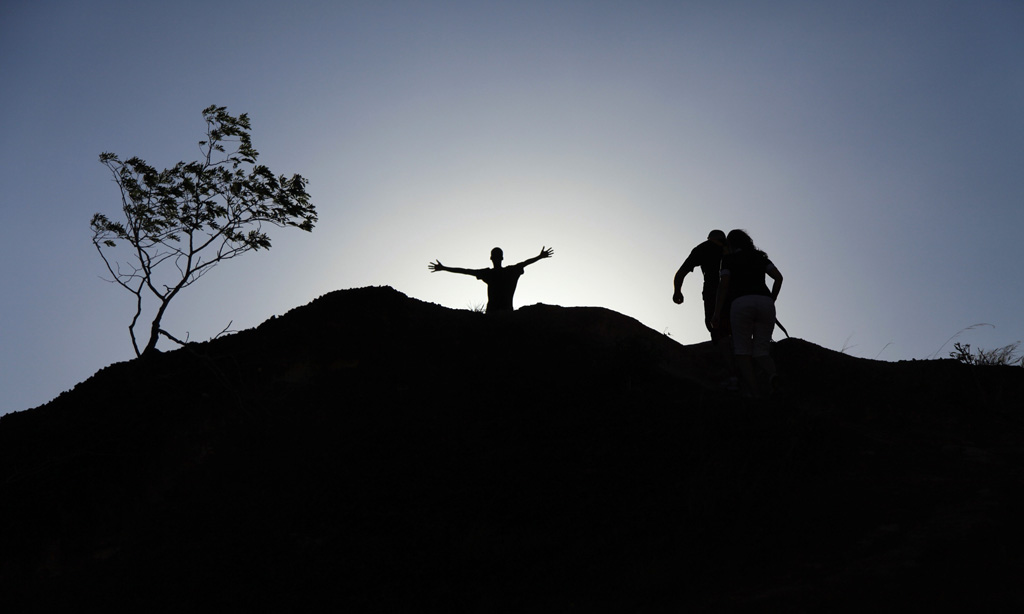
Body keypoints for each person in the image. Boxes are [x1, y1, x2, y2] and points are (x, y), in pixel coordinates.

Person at [711, 229, 783, 397]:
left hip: (741, 302)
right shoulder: (760, 257)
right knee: (761, 351)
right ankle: (774, 376)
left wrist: (717, 312)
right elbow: (779, 278)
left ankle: (755, 393)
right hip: (765, 302)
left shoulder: (728, 259)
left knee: (742, 351)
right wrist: (771, 299)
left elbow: (724, 284)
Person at [429, 246, 554, 313]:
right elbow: (526, 263)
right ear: (502, 258)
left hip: (496, 313)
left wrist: (444, 268)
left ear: (491, 258)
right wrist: (540, 256)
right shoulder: (509, 271)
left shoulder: (491, 273)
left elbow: (465, 271)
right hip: (503, 312)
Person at [673, 230, 728, 342]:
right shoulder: (732, 249)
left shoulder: (702, 248)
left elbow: (681, 273)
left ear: (710, 238)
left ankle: (720, 350)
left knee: (714, 325)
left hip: (712, 291)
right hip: (734, 291)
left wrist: (677, 291)